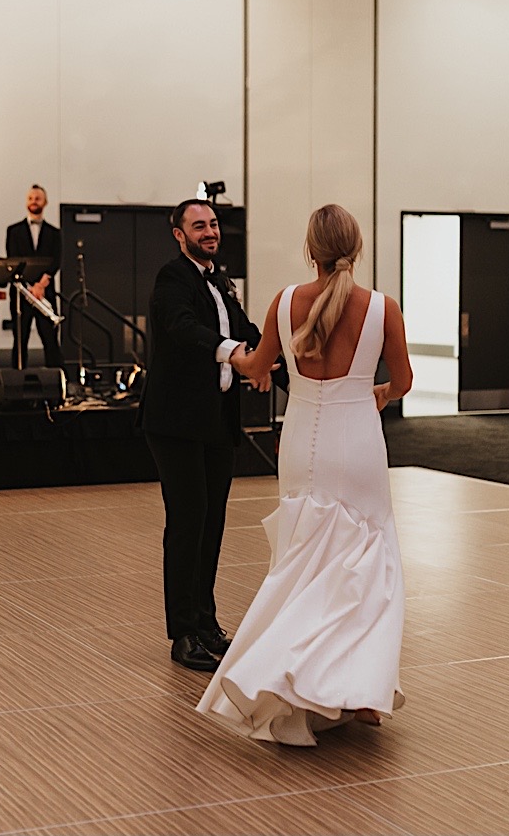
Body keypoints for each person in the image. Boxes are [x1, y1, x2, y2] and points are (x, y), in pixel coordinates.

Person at [197, 202, 412, 746]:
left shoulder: (286, 301)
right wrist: (378, 395)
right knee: (367, 565)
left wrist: (236, 360)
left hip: (302, 439)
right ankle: (361, 694)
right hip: (358, 439)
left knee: (301, 561)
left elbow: (256, 365)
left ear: (309, 250)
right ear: (356, 248)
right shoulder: (382, 307)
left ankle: (287, 677)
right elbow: (404, 381)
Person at [139, 199, 272, 673]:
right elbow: (183, 329)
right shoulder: (171, 279)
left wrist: (276, 359)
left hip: (216, 419)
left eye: (214, 224)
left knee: (212, 522)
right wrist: (236, 354)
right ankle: (182, 634)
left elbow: (247, 331)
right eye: (199, 226)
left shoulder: (219, 280)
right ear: (179, 234)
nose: (210, 231)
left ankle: (206, 622)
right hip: (176, 422)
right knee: (187, 522)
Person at [4, 184, 62, 369]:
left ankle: (56, 383)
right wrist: (30, 286)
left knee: (50, 339)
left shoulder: (54, 233)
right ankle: (18, 382)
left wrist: (41, 284)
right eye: (30, 198)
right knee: (20, 340)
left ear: (45, 202)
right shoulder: (13, 231)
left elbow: (57, 260)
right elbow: (14, 259)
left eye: (37, 198)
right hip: (22, 293)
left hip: (45, 292)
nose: (33, 201)